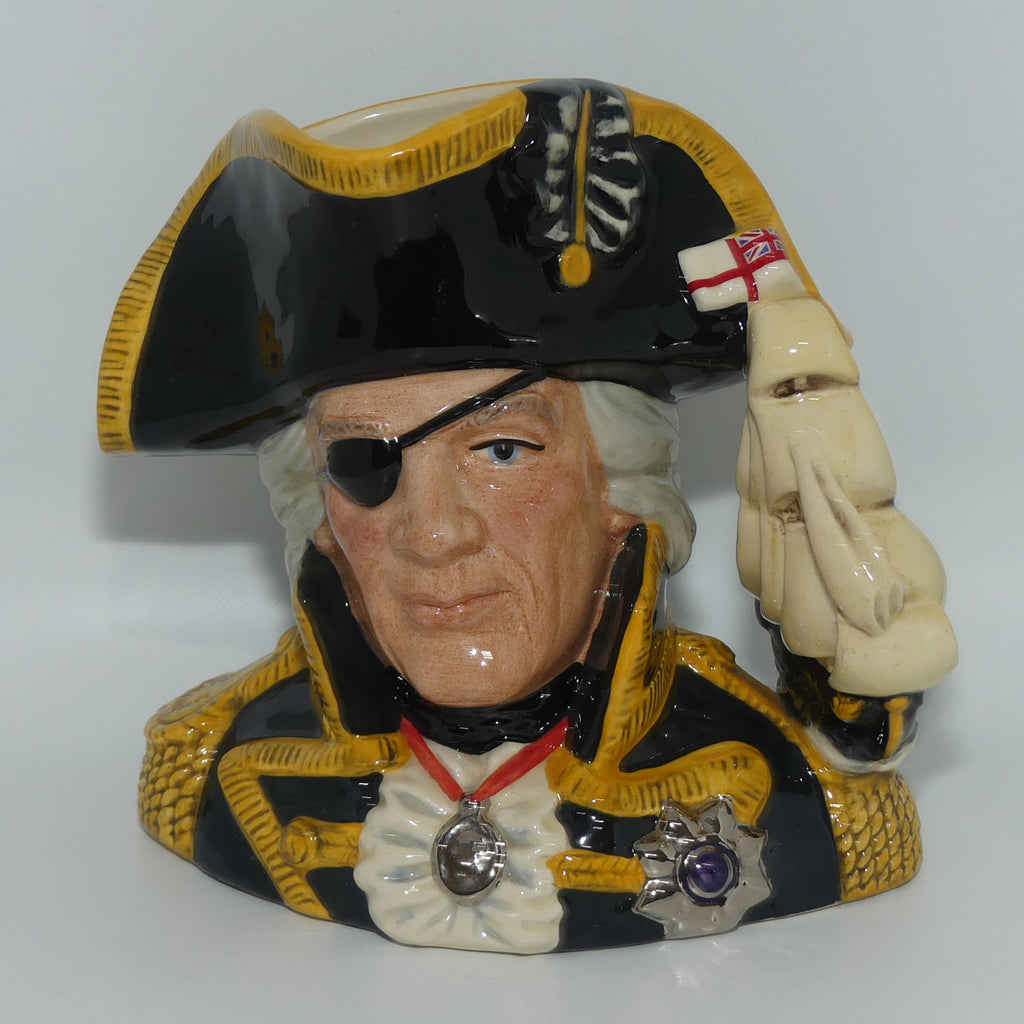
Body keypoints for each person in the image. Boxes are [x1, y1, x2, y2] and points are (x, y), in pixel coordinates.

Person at [100, 79, 956, 953]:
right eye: (365, 463)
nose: (434, 534)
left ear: (621, 492)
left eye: (503, 450)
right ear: (316, 511)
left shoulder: (812, 805)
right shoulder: (207, 765)